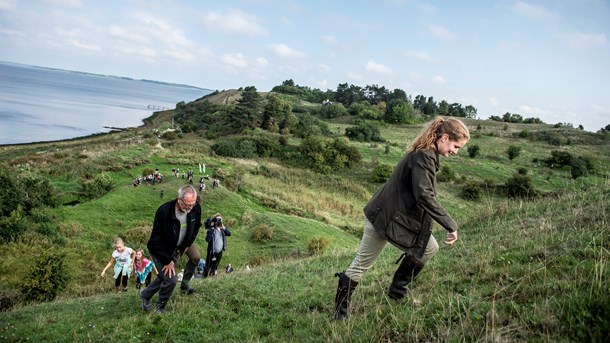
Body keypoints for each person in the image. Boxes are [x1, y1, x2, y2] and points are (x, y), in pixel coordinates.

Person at [333, 116, 469, 320]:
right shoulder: (424, 156)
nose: (455, 152)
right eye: (456, 146)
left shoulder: (428, 155)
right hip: (383, 217)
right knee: (361, 264)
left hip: (399, 219)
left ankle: (398, 289)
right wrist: (450, 224)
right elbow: (424, 195)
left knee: (430, 248)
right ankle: (339, 313)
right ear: (445, 138)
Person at [140, 185, 203, 314]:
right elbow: (155, 241)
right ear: (179, 200)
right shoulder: (164, 212)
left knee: (195, 257)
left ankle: (183, 285)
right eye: (188, 205)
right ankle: (160, 306)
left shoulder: (195, 208)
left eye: (193, 204)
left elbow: (196, 227)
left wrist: (187, 245)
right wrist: (168, 261)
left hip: (181, 244)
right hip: (161, 249)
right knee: (171, 279)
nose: (191, 208)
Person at [203, 213, 231, 278]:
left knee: (215, 266)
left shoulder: (222, 230)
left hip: (219, 252)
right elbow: (207, 239)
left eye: (220, 220)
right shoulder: (212, 230)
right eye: (218, 220)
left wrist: (223, 228)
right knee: (208, 265)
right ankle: (204, 278)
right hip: (212, 252)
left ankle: (212, 278)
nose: (219, 221)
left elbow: (229, 234)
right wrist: (212, 229)